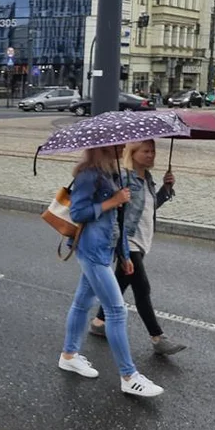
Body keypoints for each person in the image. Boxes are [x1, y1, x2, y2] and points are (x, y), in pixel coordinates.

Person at [58, 147, 164, 398]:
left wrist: (125, 254)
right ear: (104, 148)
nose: (123, 148)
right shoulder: (88, 175)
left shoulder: (112, 174)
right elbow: (78, 212)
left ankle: (69, 355)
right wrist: (112, 201)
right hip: (91, 250)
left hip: (105, 248)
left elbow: (120, 220)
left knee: (82, 303)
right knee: (116, 310)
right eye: (119, 146)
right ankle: (129, 376)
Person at [88, 141, 185, 355]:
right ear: (133, 153)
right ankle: (158, 338)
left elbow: (149, 207)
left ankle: (98, 322)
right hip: (128, 242)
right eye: (146, 151)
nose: (151, 155)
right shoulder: (124, 178)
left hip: (142, 241)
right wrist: (121, 250)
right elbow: (116, 213)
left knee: (121, 284)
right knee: (142, 289)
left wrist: (166, 189)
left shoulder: (147, 179)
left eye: (153, 152)